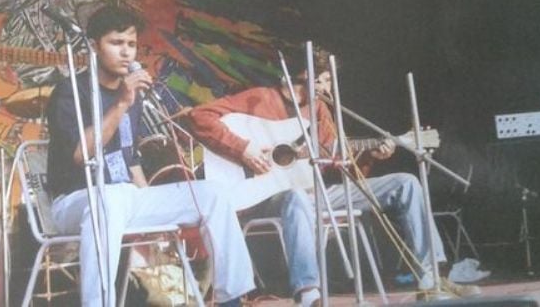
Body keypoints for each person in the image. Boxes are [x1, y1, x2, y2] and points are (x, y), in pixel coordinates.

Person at [188, 47, 479, 306]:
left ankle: (430, 277)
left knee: (407, 183)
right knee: (296, 196)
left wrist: (369, 156)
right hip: (268, 196)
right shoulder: (260, 99)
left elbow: (336, 162)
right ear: (304, 75)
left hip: (317, 193)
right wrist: (244, 149)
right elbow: (199, 116)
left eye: (329, 80)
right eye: (324, 80)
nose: (328, 87)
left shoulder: (319, 110)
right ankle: (309, 293)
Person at [46, 5, 254, 307]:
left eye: (131, 44)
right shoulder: (71, 91)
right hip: (78, 201)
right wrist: (121, 103)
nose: (126, 53)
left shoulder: (134, 97)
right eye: (116, 43)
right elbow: (81, 154)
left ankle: (231, 298)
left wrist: (154, 205)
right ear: (93, 47)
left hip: (125, 197)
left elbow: (131, 161)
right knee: (111, 197)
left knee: (213, 194)